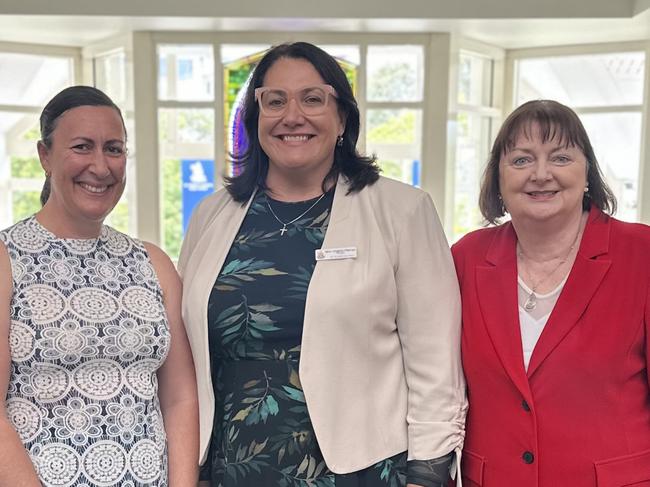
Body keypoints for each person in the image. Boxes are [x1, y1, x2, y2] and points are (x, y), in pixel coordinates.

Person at [178, 42, 466, 487]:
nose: (293, 116)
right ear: (255, 120)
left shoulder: (402, 211)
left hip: (361, 472)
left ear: (343, 118)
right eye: (275, 101)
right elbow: (187, 362)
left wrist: (428, 474)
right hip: (230, 469)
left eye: (313, 99)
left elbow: (435, 365)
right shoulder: (211, 216)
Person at [0, 86, 199, 486]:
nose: (101, 165)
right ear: (45, 156)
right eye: (81, 147)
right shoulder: (7, 259)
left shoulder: (153, 263)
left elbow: (180, 399)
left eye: (114, 148)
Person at [452, 99, 650, 487]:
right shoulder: (466, 257)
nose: (540, 174)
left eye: (560, 158)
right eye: (522, 160)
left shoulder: (641, 253)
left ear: (588, 171)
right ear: (498, 177)